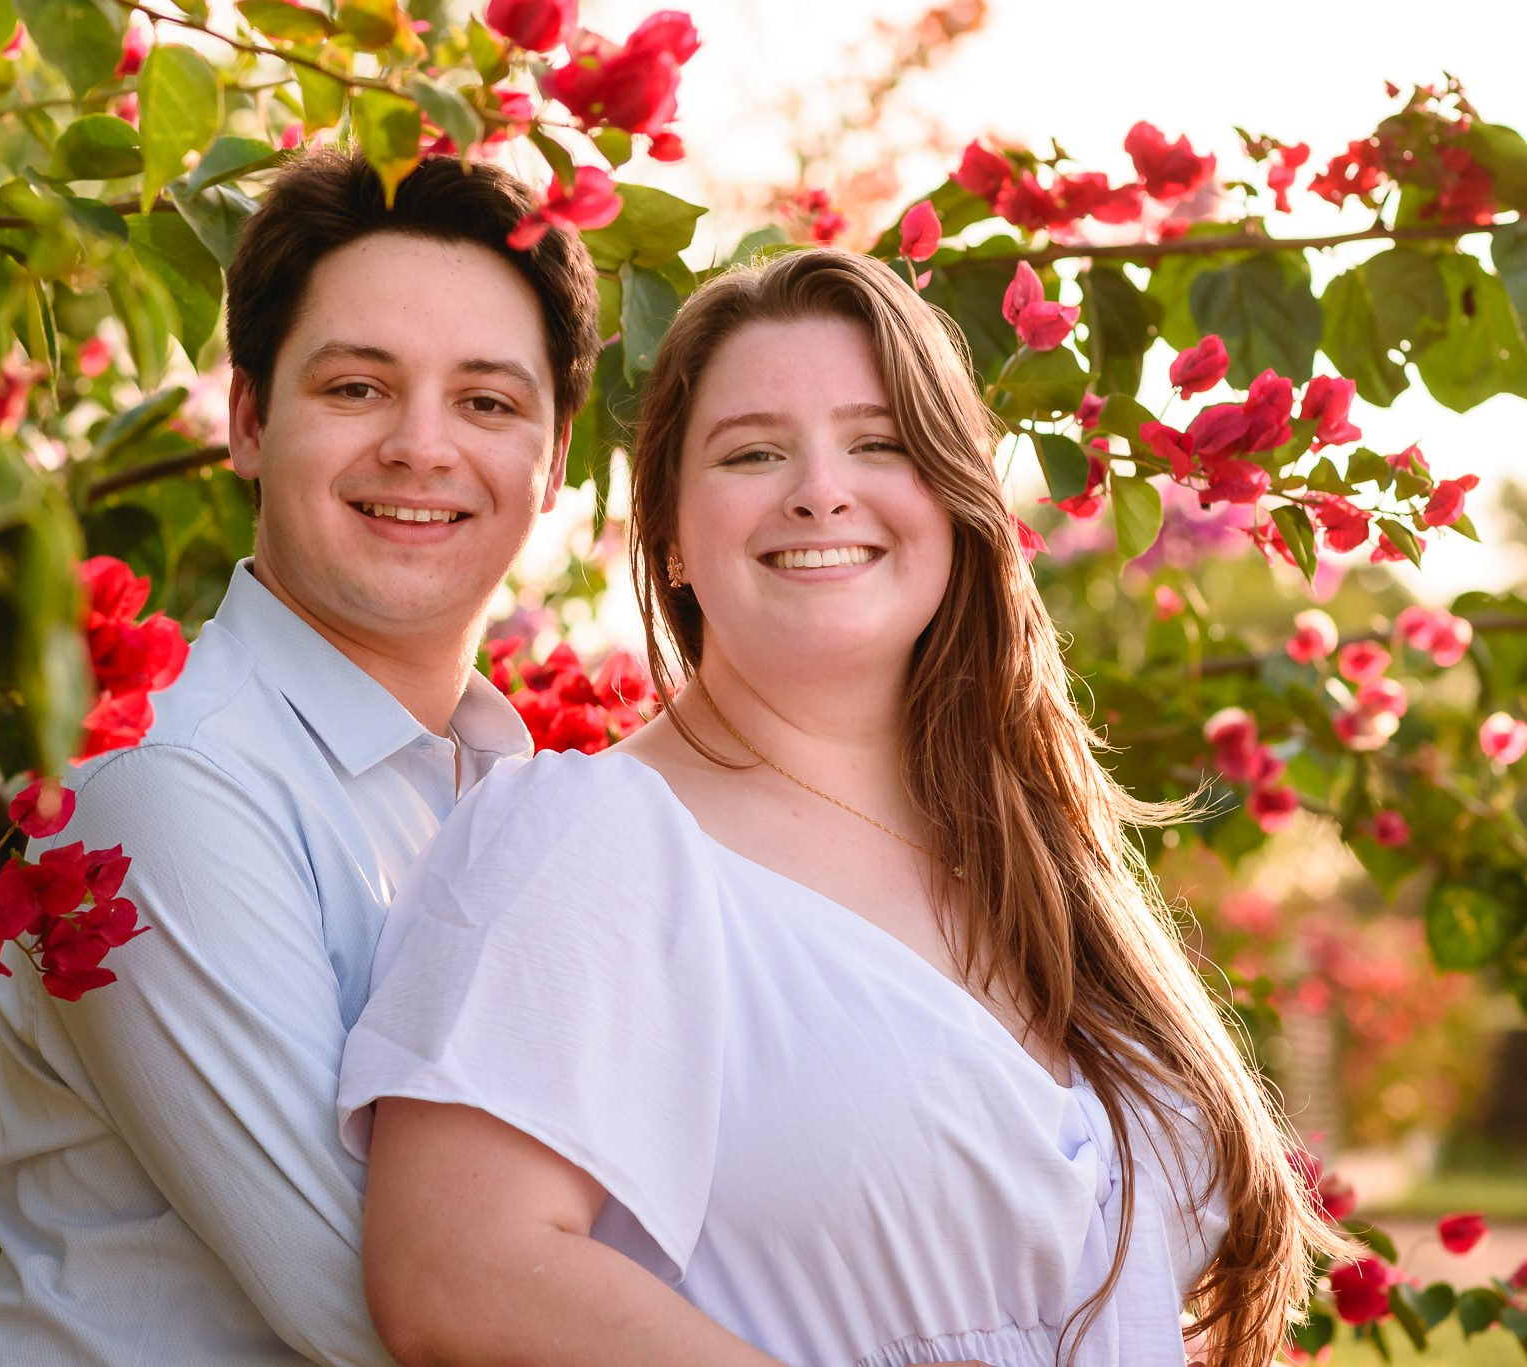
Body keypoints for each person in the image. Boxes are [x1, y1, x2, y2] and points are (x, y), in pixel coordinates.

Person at [337, 248, 1345, 1367]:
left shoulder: (1029, 844)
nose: (820, 488)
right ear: (667, 529)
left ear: (955, 501)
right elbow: (455, 1271)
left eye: (878, 443)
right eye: (753, 451)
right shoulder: (587, 839)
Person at [0, 151, 602, 1366]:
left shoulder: (509, 790)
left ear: (555, 458)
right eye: (358, 387)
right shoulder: (166, 782)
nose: (423, 449)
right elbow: (392, 1313)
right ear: (249, 422)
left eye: (486, 403)